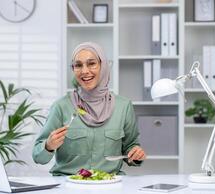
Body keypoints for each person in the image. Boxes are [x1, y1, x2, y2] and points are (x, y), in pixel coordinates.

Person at [32, 42, 146, 176]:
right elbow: (38, 156)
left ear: (103, 66)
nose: (84, 71)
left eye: (91, 63)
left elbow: (130, 147)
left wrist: (135, 153)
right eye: (78, 65)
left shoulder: (123, 106)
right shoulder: (61, 107)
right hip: (69, 186)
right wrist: (48, 146)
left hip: (110, 186)